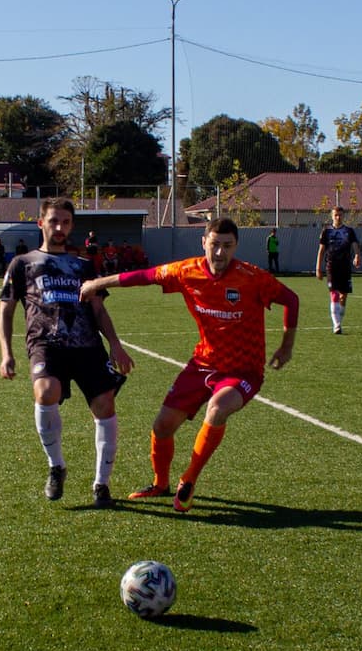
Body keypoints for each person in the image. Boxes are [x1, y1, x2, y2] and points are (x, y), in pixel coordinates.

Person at [82, 217, 298, 513]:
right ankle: (160, 484)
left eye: (227, 246)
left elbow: (291, 300)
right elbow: (144, 276)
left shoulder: (252, 277)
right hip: (203, 364)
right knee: (162, 426)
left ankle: (189, 480)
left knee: (218, 409)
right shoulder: (187, 271)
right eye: (215, 244)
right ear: (203, 242)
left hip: (243, 370)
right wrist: (98, 283)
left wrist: (286, 345)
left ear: (236, 246)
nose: (220, 252)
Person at [0, 199, 134, 509]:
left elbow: (98, 309)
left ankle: (101, 484)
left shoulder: (84, 266)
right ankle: (56, 466)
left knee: (105, 404)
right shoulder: (22, 263)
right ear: (41, 223)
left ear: (71, 226)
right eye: (53, 221)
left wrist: (115, 344)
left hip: (87, 346)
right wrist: (6, 353)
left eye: (66, 222)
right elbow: (5, 310)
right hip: (46, 344)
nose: (59, 228)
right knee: (46, 392)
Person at [315, 207, 361, 334]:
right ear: (332, 216)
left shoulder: (349, 231)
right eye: (336, 215)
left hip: (345, 267)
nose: (338, 217)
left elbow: (355, 245)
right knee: (334, 294)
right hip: (331, 266)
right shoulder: (326, 231)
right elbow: (321, 250)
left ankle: (339, 321)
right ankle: (337, 324)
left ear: (343, 216)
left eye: (340, 215)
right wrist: (318, 268)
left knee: (343, 296)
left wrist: (357, 255)